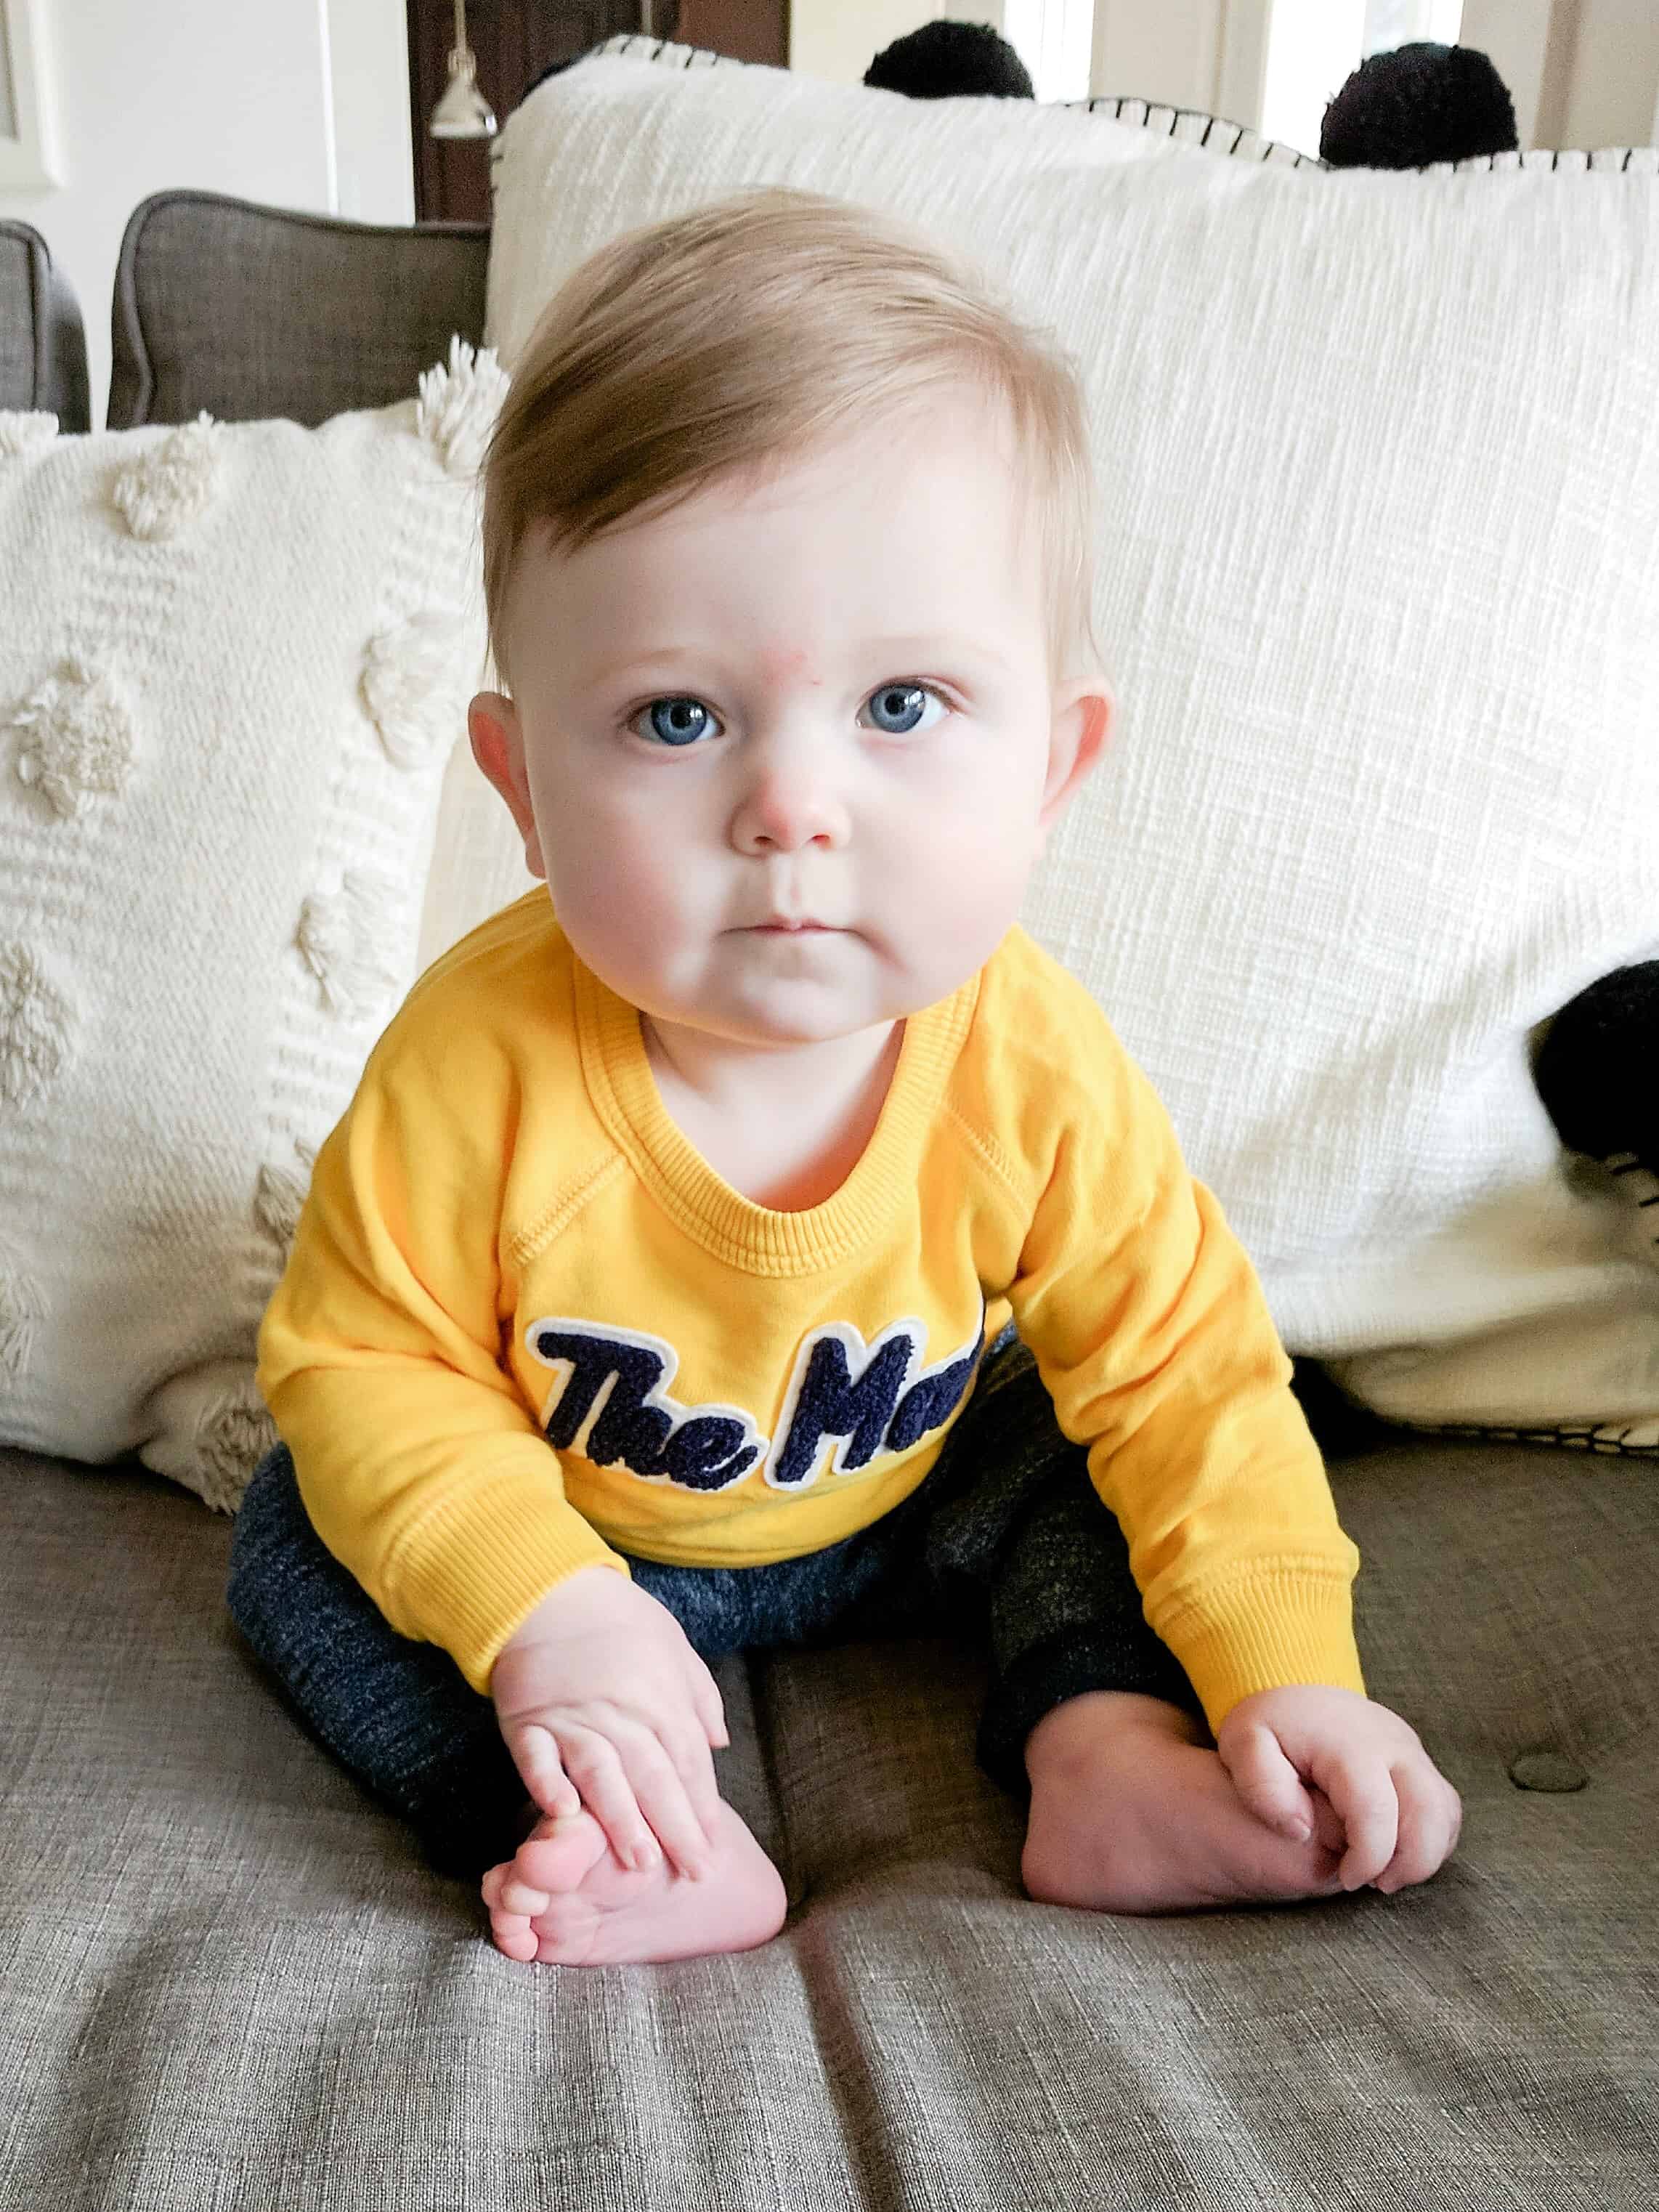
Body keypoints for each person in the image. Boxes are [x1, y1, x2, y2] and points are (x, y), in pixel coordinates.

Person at [229, 187, 1462, 1969]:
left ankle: (1100, 1751)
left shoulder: (1027, 1062)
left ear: (1050, 763)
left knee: (1087, 1445)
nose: (789, 807)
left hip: (911, 1492)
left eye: (899, 707)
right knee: (303, 1535)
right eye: (675, 716)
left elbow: (1185, 1370)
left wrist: (1290, 1670)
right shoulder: (471, 1067)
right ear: (517, 785)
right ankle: (610, 1829)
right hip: (578, 1526)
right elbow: (365, 1357)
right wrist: (544, 1608)